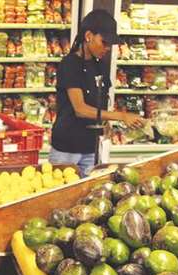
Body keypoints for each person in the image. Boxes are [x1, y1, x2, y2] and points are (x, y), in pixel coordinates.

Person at [49, 9, 145, 177]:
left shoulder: (99, 64)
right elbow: (80, 109)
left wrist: (105, 123)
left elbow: (99, 100)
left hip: (90, 145)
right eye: (104, 42)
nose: (107, 48)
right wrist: (121, 116)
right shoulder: (69, 64)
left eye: (110, 44)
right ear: (88, 36)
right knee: (62, 192)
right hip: (67, 146)